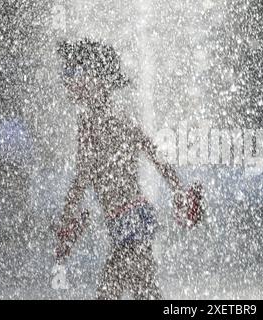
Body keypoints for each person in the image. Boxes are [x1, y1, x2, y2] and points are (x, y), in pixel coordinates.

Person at [54, 38, 202, 300]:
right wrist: (180, 190)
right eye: (68, 74)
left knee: (112, 293)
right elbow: (156, 157)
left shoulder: (92, 124)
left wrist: (67, 221)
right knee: (144, 290)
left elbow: (82, 177)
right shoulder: (120, 119)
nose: (69, 81)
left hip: (128, 221)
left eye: (75, 73)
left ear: (97, 80)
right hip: (133, 218)